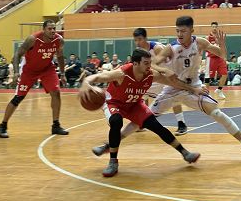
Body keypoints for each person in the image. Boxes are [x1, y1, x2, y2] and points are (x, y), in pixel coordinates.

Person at [82, 48, 202, 177]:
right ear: (135, 63)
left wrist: (193, 89)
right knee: (116, 122)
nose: (149, 66)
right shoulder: (121, 74)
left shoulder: (151, 74)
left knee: (156, 126)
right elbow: (99, 76)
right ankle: (113, 161)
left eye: (150, 62)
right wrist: (86, 82)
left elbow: (172, 82)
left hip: (134, 105)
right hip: (114, 103)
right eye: (146, 63)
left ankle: (185, 153)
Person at [150, 16, 241, 154]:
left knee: (217, 113)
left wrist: (222, 44)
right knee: (145, 118)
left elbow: (222, 55)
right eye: (177, 31)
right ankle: (116, 146)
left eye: (183, 31)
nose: (179, 34)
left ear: (192, 30)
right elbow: (153, 63)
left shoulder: (200, 43)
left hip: (194, 87)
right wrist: (164, 70)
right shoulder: (171, 47)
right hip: (174, 88)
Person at [0, 20, 69, 138]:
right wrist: (15, 73)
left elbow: (60, 56)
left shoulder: (59, 40)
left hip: (47, 69)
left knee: (56, 93)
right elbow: (17, 55)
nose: (53, 31)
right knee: (18, 97)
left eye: (54, 28)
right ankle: (2, 125)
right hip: (29, 70)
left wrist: (62, 73)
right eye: (50, 29)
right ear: (44, 29)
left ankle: (56, 125)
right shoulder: (33, 39)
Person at [207, 22, 228, 99]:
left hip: (220, 58)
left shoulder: (220, 36)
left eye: (215, 26)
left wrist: (225, 56)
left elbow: (223, 46)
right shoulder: (208, 37)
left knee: (225, 74)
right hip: (212, 58)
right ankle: (206, 92)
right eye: (213, 27)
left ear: (217, 27)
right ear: (211, 27)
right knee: (208, 77)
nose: (214, 28)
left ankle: (219, 90)